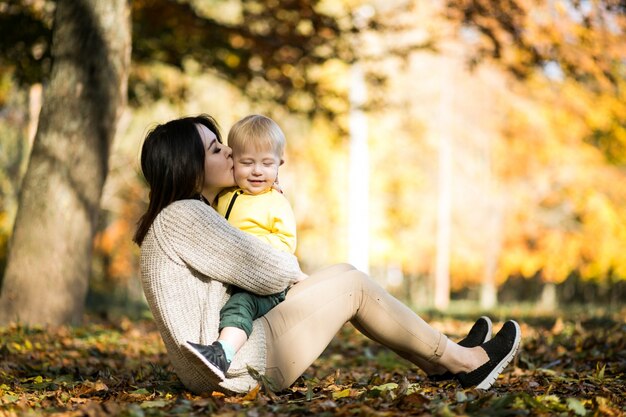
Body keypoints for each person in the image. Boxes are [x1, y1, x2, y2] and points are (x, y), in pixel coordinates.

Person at [133, 114, 522, 395]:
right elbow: (268, 272)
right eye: (218, 149)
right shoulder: (185, 216)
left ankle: (441, 360)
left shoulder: (179, 215)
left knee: (345, 273)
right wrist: (292, 270)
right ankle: (466, 362)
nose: (232, 154)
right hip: (232, 364)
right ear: (190, 164)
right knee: (351, 285)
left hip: (225, 357)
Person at [196, 114, 302, 380]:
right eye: (247, 163)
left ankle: (222, 353)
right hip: (234, 275)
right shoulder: (226, 195)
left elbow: (285, 243)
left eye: (267, 164)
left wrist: (246, 245)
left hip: (265, 283)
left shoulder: (275, 202)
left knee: (240, 306)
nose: (257, 171)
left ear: (280, 165)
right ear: (233, 163)